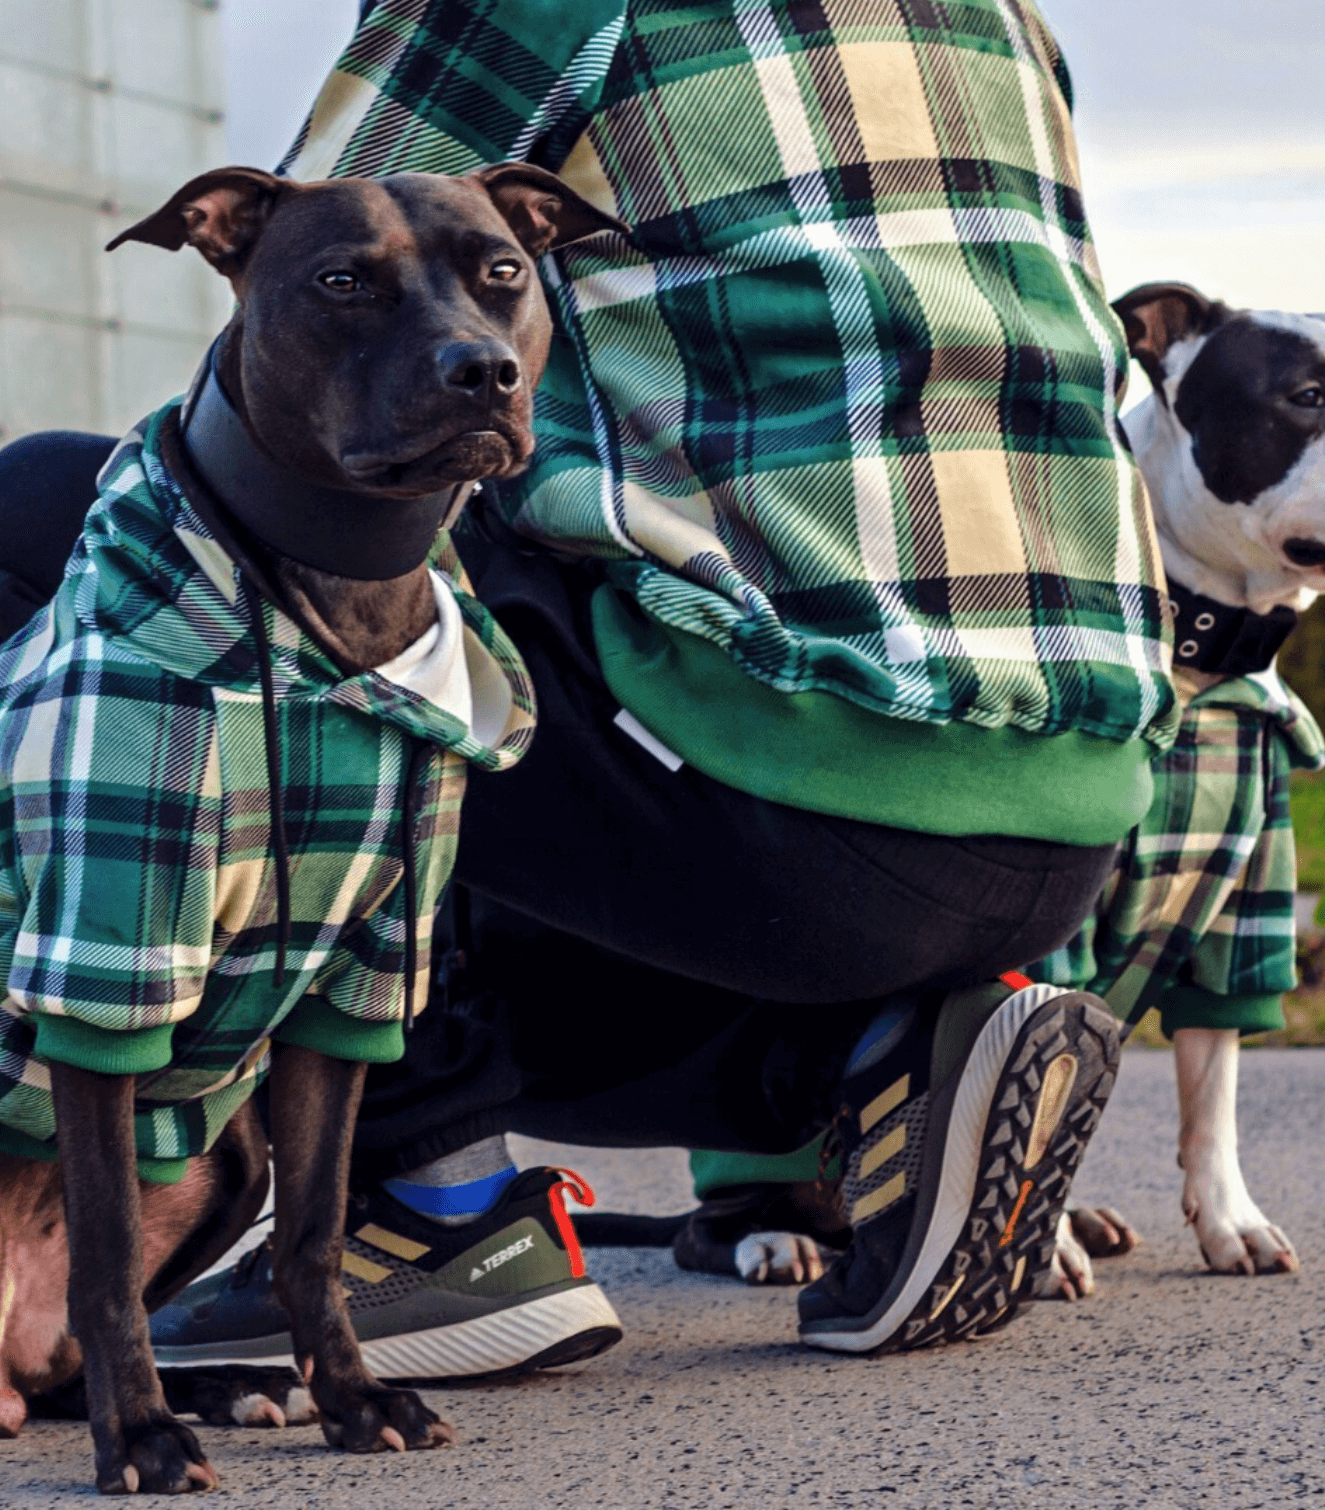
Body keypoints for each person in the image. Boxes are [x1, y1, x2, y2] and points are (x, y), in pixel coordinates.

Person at [2, 0, 1178, 1372]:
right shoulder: (1001, 16)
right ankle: (874, 1071)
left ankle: (424, 1204)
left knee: (77, 522)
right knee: (503, 612)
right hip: (1069, 812)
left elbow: (337, 253)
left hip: (799, 769)